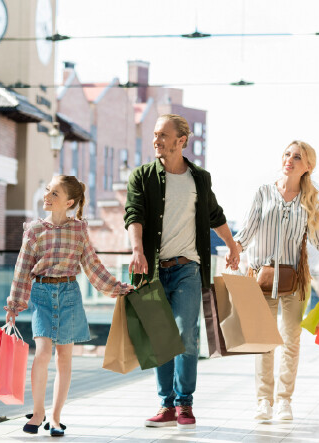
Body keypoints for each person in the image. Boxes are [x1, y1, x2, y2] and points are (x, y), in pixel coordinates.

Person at [125, 114, 240, 430]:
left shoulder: (200, 178)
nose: (156, 140)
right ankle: (166, 406)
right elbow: (133, 214)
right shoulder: (142, 176)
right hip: (151, 270)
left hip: (189, 268)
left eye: (163, 134)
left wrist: (232, 245)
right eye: (154, 134)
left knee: (186, 334)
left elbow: (214, 214)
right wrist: (137, 250)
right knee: (160, 338)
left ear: (181, 140)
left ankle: (184, 403)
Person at [232, 140, 319, 421]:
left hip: (295, 281)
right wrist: (233, 250)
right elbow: (246, 232)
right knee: (263, 342)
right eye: (287, 154)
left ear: (307, 166)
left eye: (297, 157)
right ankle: (264, 401)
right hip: (260, 278)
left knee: (291, 342)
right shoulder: (263, 193)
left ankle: (284, 401)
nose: (289, 160)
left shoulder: (310, 201)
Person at [5, 175, 132, 437]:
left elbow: (92, 265)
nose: (47, 197)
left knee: (64, 357)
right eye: (48, 191)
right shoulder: (34, 230)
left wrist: (117, 288)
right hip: (41, 293)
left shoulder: (79, 230)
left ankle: (55, 417)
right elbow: (22, 268)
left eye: (54, 194)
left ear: (69, 202)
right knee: (42, 353)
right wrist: (14, 304)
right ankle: (38, 412)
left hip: (70, 294)